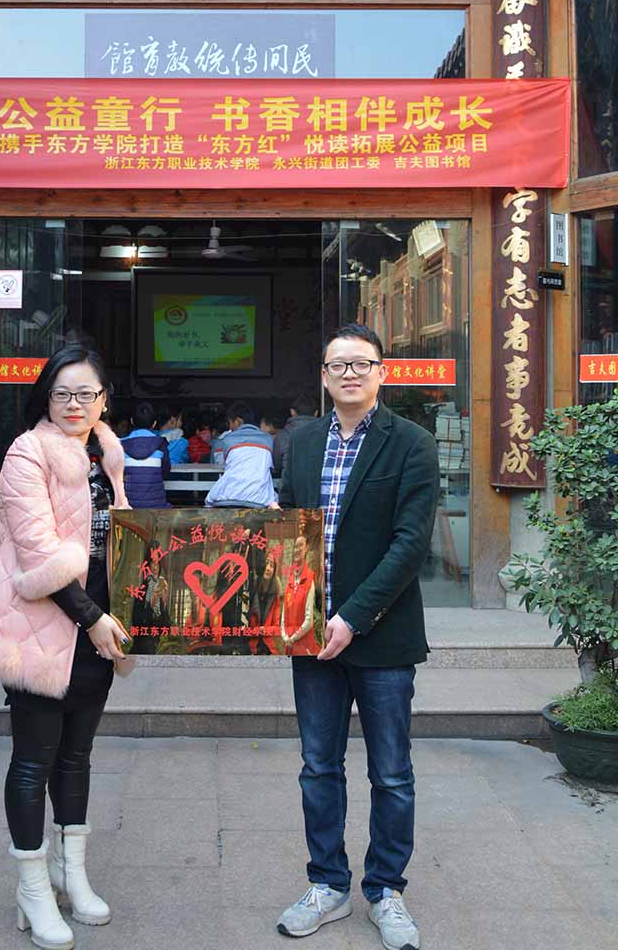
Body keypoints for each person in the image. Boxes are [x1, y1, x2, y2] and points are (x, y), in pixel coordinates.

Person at [0, 345, 132, 950]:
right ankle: (32, 887)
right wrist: (93, 619)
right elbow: (37, 551)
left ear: (104, 398)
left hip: (97, 625)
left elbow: (118, 542)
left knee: (76, 756)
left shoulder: (106, 452)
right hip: (40, 627)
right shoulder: (26, 453)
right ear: (46, 398)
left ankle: (69, 872)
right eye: (62, 393)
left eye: (86, 393)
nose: (75, 404)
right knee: (33, 760)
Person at [276, 323, 439, 950]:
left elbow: (410, 544)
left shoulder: (413, 443)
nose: (349, 373)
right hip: (312, 637)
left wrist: (352, 617)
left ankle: (386, 890)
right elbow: (290, 526)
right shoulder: (301, 441)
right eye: (337, 364)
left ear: (381, 372)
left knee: (391, 773)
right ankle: (327, 884)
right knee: (318, 767)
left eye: (361, 363)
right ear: (323, 376)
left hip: (382, 637)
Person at [205, 401, 276, 508]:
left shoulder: (228, 440)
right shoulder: (268, 439)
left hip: (228, 497)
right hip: (260, 500)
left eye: (230, 423)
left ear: (238, 421)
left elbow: (228, 465)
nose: (230, 427)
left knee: (209, 502)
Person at [121, 400, 171, 508]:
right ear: (154, 424)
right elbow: (166, 472)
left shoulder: (120, 445)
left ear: (132, 421)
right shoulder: (160, 444)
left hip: (128, 506)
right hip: (157, 507)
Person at [281, 534, 321, 656]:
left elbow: (309, 620)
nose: (297, 549)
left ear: (306, 548)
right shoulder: (290, 580)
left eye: (300, 546)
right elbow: (283, 616)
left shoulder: (310, 579)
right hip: (289, 644)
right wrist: (285, 637)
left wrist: (292, 638)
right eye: (295, 546)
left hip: (304, 645)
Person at [274, 392, 319, 476]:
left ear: (292, 412)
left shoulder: (282, 435)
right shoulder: (326, 433)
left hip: (289, 483)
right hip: (317, 483)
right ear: (316, 413)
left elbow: (277, 466)